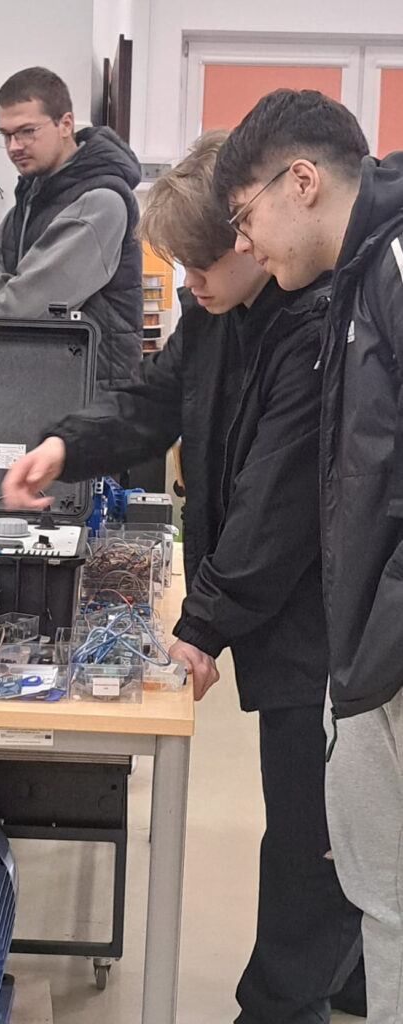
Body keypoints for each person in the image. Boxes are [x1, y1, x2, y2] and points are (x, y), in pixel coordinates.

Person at [3, 129, 363, 1024]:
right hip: (278, 608)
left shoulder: (313, 329)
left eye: (202, 263)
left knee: (308, 836)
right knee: (320, 825)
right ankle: (342, 979)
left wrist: (202, 624)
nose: (189, 282)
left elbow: (277, 501)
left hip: (328, 620)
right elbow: (152, 401)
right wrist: (64, 445)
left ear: (248, 239)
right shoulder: (216, 314)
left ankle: (285, 1008)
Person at [213, 86, 403, 1024]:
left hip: (385, 651)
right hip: (367, 653)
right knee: (377, 893)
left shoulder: (393, 266)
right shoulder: (354, 282)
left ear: (301, 181)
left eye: (244, 217)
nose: (243, 244)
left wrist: (380, 637)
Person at [0, 66, 143, 389]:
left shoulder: (101, 202)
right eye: (6, 135)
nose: (14, 146)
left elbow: (19, 312)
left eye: (27, 131)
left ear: (65, 124)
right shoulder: (31, 197)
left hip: (89, 398)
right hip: (43, 388)